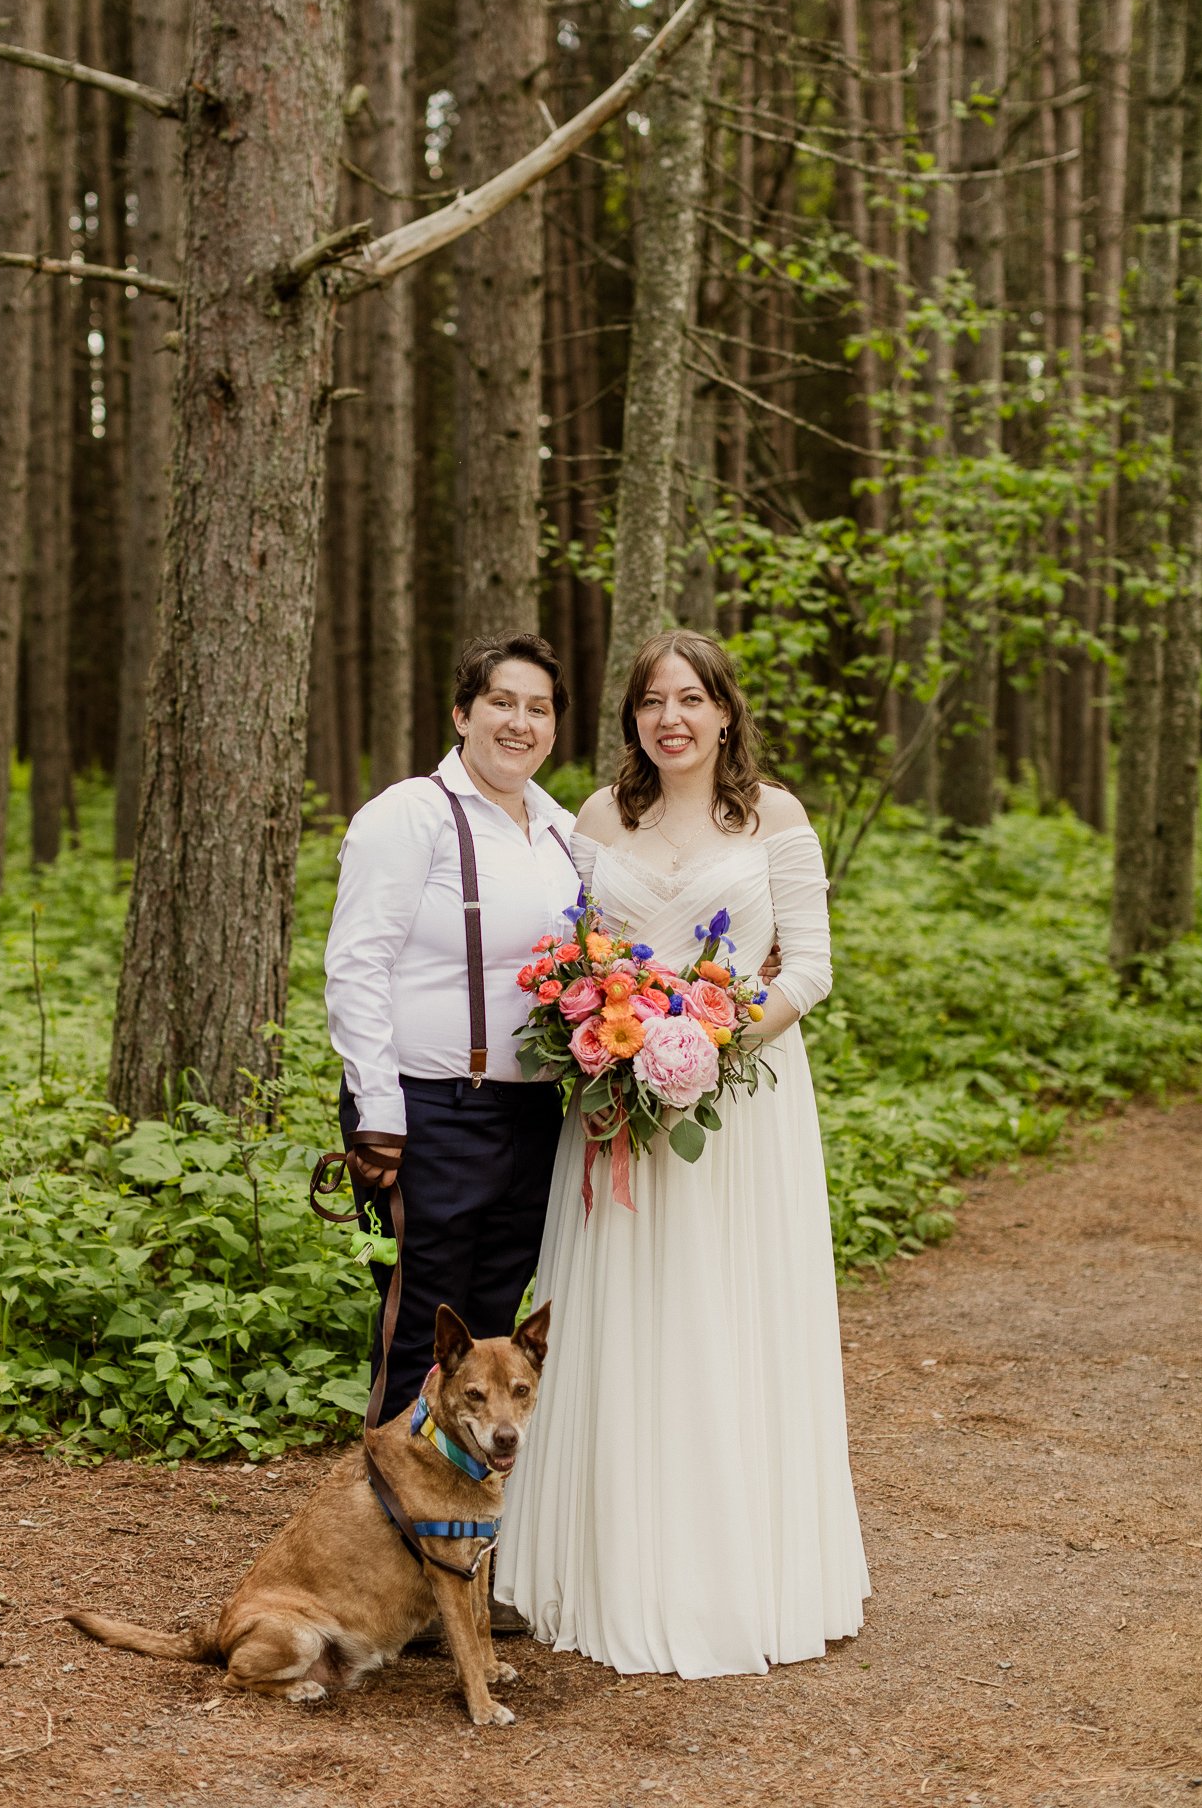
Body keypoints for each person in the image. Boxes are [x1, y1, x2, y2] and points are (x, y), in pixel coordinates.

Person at [495, 627, 869, 1678]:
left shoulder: (774, 816)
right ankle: (602, 1561)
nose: (672, 717)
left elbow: (811, 969)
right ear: (632, 719)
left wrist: (700, 1051)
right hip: (610, 1109)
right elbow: (572, 946)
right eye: (652, 700)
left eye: (691, 698)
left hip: (735, 1110)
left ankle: (736, 1564)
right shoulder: (598, 816)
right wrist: (613, 1046)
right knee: (620, 1314)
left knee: (723, 1310)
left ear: (723, 712)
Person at [323, 633, 582, 1423]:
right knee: (420, 1339)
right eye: (501, 702)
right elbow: (357, 962)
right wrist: (378, 1113)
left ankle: (464, 1537)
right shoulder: (408, 815)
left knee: (494, 1348)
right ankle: (389, 1536)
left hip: (536, 1118)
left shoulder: (562, 832)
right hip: (428, 1113)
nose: (519, 723)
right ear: (462, 713)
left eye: (537, 709)